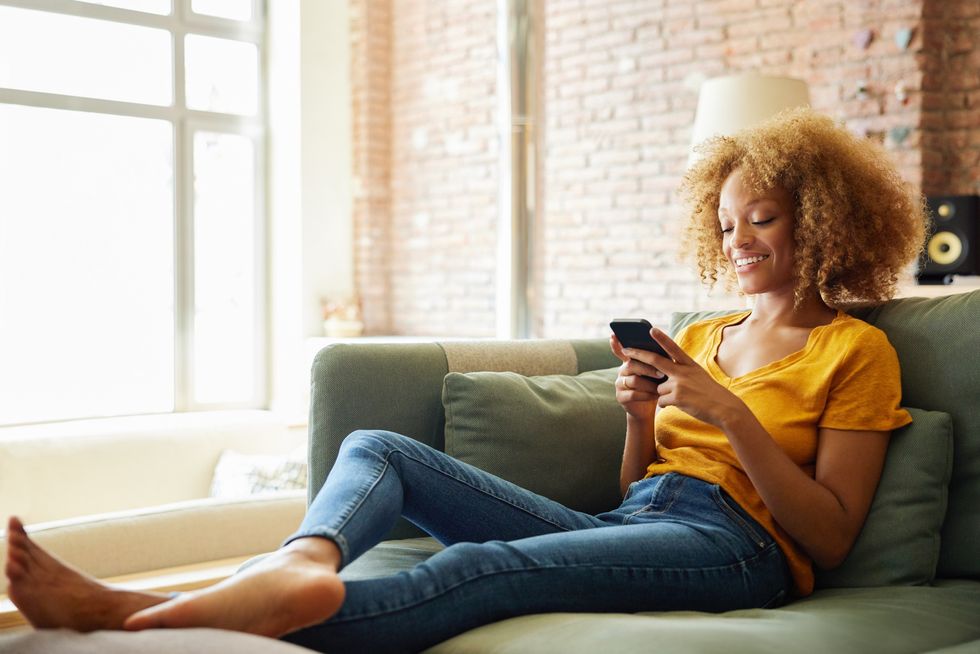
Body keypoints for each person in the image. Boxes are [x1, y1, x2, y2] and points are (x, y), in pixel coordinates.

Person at [4, 107, 927, 652]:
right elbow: (635, 497)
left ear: (823, 220)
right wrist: (642, 418)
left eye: (761, 218)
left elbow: (832, 538)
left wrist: (730, 413)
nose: (739, 243)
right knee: (381, 449)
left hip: (744, 554)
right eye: (726, 226)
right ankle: (305, 560)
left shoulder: (854, 352)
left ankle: (135, 615)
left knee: (483, 566)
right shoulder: (707, 330)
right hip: (646, 519)